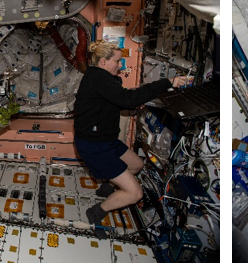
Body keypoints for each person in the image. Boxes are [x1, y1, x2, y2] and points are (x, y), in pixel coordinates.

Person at [75, 40, 187, 235]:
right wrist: (168, 82)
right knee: (135, 193)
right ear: (103, 62)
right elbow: (126, 98)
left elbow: (113, 102)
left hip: (106, 140)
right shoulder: (98, 79)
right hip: (94, 145)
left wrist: (132, 104)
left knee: (137, 165)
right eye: (117, 62)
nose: (120, 66)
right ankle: (96, 212)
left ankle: (107, 190)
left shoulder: (101, 77)